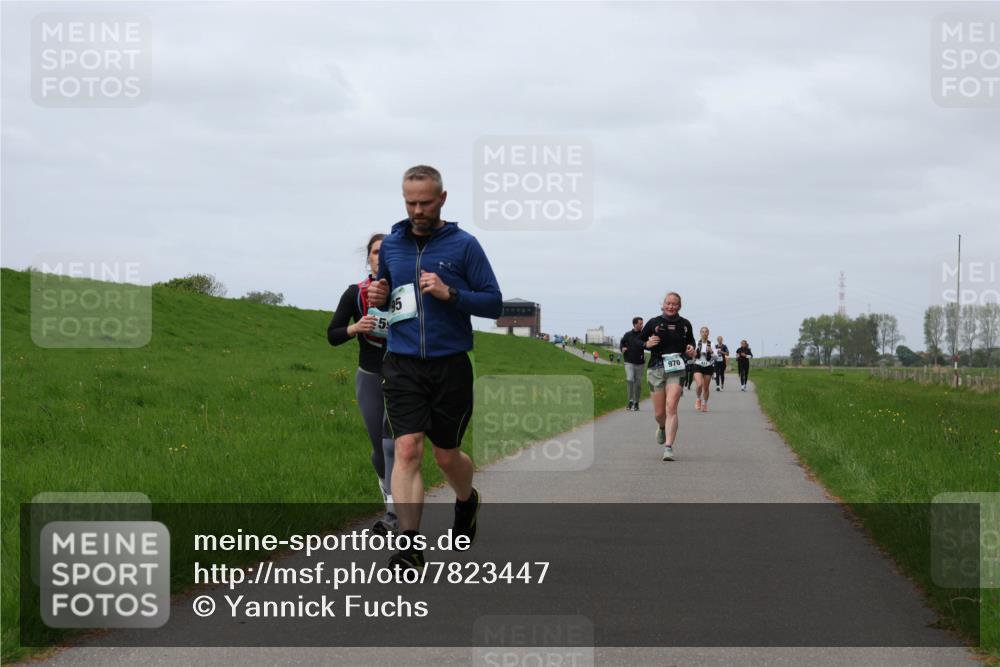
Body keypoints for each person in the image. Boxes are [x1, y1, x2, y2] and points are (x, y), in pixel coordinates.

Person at [367, 165, 503, 570]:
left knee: (447, 457)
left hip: (450, 364)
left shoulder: (465, 246)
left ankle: (467, 500)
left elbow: (493, 303)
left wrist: (451, 293)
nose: (417, 210)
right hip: (403, 361)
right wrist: (377, 294)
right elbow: (386, 296)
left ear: (442, 199)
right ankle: (409, 545)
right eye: (410, 203)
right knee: (407, 448)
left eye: (425, 202)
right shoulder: (392, 245)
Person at [327, 233, 397, 533]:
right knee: (378, 451)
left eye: (387, 252)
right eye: (376, 252)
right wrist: (355, 327)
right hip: (368, 377)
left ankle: (393, 516)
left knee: (391, 444)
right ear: (368, 258)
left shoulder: (405, 294)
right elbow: (332, 335)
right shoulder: (354, 293)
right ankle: (385, 486)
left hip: (401, 378)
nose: (381, 256)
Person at [640, 293, 695, 461]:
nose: (671, 306)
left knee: (671, 407)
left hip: (677, 369)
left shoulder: (685, 325)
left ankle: (668, 447)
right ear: (663, 304)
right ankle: (662, 427)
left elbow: (691, 343)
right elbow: (638, 341)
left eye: (674, 304)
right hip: (656, 368)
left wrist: (691, 350)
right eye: (668, 303)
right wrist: (646, 344)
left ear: (679, 306)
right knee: (659, 413)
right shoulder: (654, 322)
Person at [620, 316, 645, 411]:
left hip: (640, 363)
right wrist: (622, 348)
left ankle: (636, 402)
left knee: (638, 384)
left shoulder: (643, 335)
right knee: (630, 379)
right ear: (635, 324)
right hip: (629, 362)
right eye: (640, 323)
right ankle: (630, 401)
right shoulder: (627, 335)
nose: (642, 325)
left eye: (642, 323)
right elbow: (622, 343)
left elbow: (647, 344)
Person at [692, 327, 715, 412]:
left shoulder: (711, 344)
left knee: (706, 387)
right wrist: (693, 354)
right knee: (699, 385)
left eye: (706, 332)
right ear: (700, 333)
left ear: (708, 334)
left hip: (708, 366)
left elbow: (715, 357)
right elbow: (692, 354)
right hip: (698, 365)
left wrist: (711, 351)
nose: (704, 333)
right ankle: (698, 399)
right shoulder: (697, 343)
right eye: (703, 332)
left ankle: (705, 404)